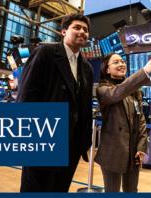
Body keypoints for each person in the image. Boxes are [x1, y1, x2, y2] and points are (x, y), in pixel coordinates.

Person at [16, 13, 94, 192]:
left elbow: (85, 105)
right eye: (77, 27)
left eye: (86, 29)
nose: (82, 32)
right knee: (35, 188)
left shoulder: (86, 67)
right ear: (63, 31)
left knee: (60, 187)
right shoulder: (46, 53)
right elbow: (26, 94)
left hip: (72, 143)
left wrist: (85, 140)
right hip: (44, 137)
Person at [95, 52, 151, 192]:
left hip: (133, 152)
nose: (122, 64)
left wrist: (141, 147)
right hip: (112, 152)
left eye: (123, 61)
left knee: (132, 190)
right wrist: (144, 71)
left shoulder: (135, 91)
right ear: (107, 69)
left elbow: (141, 119)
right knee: (112, 191)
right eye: (116, 62)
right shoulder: (102, 89)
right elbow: (118, 92)